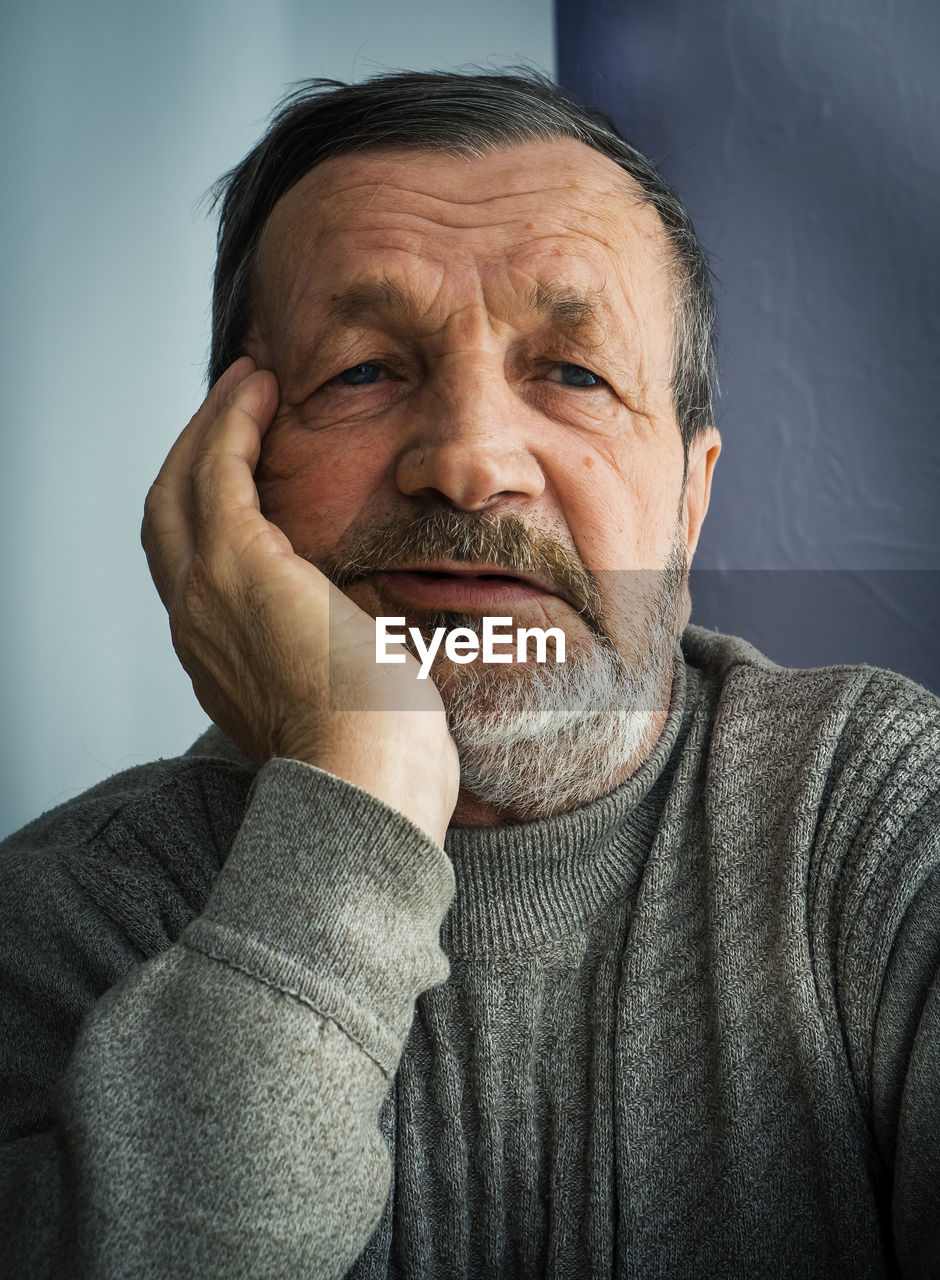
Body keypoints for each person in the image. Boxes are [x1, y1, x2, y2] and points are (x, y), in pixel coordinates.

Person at [1, 69, 938, 1279]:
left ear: (691, 500)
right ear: (232, 478)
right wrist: (362, 772)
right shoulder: (63, 919)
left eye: (573, 373)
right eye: (363, 370)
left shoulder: (878, 816)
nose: (468, 461)